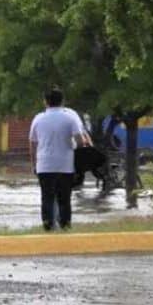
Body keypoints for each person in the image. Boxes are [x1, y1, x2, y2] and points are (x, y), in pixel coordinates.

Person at [29, 88, 92, 231]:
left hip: (44, 165)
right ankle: (65, 226)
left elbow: (32, 144)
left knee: (47, 198)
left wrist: (34, 165)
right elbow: (81, 142)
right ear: (62, 101)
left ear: (45, 102)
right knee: (64, 198)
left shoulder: (38, 119)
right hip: (65, 165)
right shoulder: (70, 118)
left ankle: (48, 226)